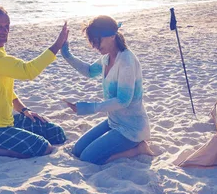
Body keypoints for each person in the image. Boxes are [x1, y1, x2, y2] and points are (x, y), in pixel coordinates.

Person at [0, 6, 69, 158]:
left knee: (56, 134)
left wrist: (24, 110)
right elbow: (28, 71)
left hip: (6, 119)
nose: (4, 31)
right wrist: (57, 45)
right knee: (42, 148)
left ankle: (6, 139)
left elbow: (5, 88)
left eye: (7, 26)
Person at [61, 15, 153, 165]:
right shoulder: (108, 57)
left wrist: (87, 108)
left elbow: (123, 101)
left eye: (97, 41)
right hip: (114, 121)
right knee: (77, 150)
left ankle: (139, 148)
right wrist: (67, 54)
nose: (95, 46)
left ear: (111, 36)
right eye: (93, 42)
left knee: (88, 158)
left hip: (131, 128)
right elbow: (90, 71)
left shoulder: (126, 61)